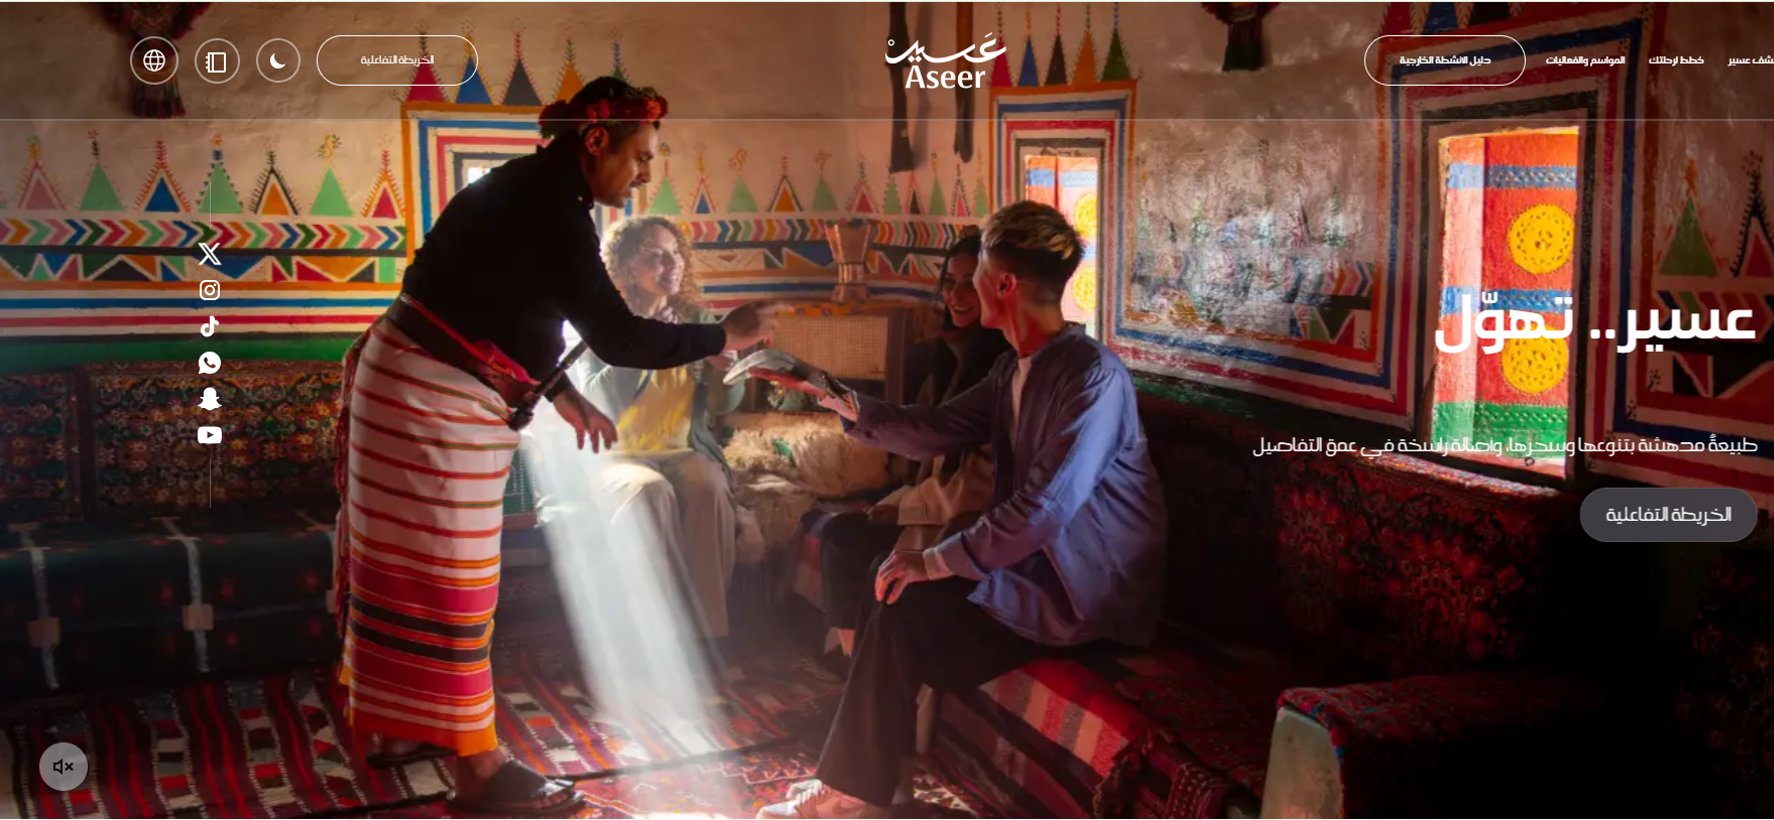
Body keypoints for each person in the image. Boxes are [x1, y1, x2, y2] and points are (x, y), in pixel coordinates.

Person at [330, 76, 781, 817]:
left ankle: (394, 725)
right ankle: (478, 770)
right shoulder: (552, 209)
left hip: (414, 384)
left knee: (407, 570)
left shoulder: (534, 192)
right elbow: (621, 336)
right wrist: (724, 335)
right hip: (427, 397)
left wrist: (560, 394)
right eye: (640, 155)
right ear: (594, 141)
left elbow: (505, 308)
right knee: (451, 583)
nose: (644, 173)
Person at [755, 202, 1167, 818]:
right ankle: (874, 780)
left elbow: (1045, 510)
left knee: (906, 597)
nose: (965, 287)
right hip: (1030, 569)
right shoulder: (1014, 370)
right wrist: (831, 394)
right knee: (890, 583)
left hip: (1081, 590)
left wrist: (936, 561)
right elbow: (934, 429)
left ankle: (853, 791)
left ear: (1002, 285)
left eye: (975, 275)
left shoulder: (1093, 379)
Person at [815, 228, 1009, 659]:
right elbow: (921, 448)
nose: (958, 296)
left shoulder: (1004, 368)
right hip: (933, 507)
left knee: (860, 553)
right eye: (950, 283)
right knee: (841, 532)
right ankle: (855, 670)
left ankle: (867, 675)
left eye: (970, 284)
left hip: (965, 522)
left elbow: (971, 477)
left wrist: (901, 507)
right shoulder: (941, 356)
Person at [583, 215, 745, 648]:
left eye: (674, 254)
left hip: (683, 450)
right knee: (651, 492)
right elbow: (594, 402)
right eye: (655, 256)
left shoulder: (695, 320)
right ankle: (653, 639)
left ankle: (709, 636)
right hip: (616, 457)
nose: (670, 264)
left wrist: (723, 375)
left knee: (709, 486)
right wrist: (647, 341)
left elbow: (723, 408)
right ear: (625, 267)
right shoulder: (603, 323)